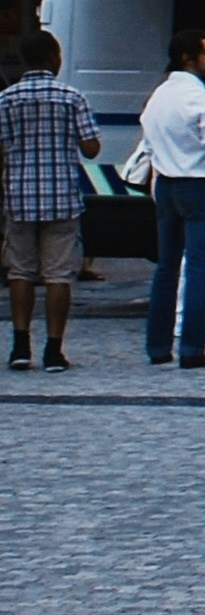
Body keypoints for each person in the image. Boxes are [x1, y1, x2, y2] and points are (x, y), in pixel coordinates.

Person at [2, 29, 100, 371]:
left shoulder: (7, 99)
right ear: (50, 58)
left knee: (21, 272)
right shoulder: (72, 97)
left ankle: (20, 346)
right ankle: (54, 350)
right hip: (61, 197)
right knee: (59, 275)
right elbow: (91, 148)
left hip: (20, 196)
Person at [142, 31, 205, 369]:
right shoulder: (201, 97)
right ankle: (192, 347)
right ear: (188, 58)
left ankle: (157, 345)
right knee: (199, 268)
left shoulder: (159, 95)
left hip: (166, 183)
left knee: (166, 268)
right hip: (198, 184)